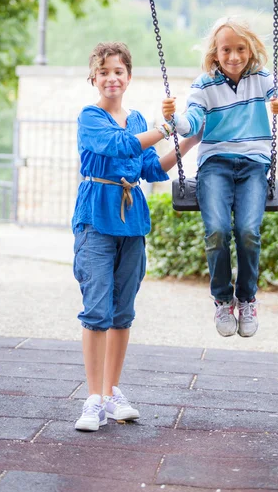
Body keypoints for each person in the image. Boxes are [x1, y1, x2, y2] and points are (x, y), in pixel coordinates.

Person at [72, 41, 199, 431]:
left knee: (123, 311)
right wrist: (163, 128)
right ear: (93, 77)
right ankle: (93, 399)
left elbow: (152, 169)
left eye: (119, 71)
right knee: (97, 310)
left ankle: (112, 393)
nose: (112, 78)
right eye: (104, 71)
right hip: (96, 218)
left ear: (128, 77)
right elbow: (119, 145)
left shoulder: (138, 118)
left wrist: (191, 137)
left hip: (132, 221)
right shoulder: (90, 117)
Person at [162, 16, 278, 339]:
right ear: (215, 52)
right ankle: (223, 299)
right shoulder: (204, 84)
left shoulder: (262, 79)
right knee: (218, 230)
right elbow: (192, 123)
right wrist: (174, 118)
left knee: (248, 230)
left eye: (240, 49)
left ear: (250, 50)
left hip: (253, 164)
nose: (234, 56)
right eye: (226, 50)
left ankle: (247, 299)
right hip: (215, 165)